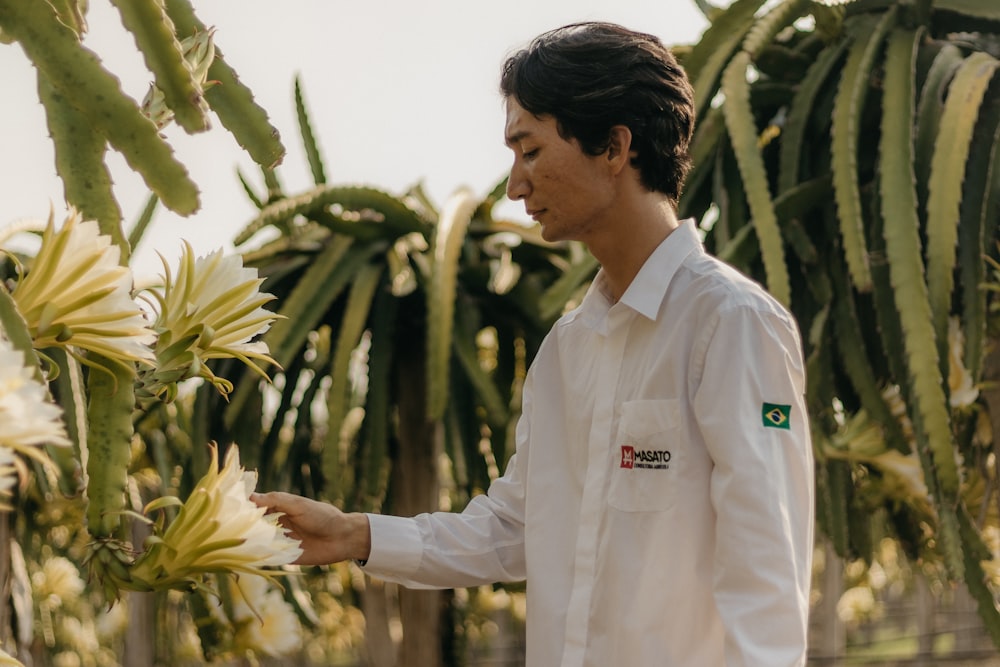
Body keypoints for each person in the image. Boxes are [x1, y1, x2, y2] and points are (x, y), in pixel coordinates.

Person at [253, 21, 814, 666]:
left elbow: (766, 575)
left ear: (614, 146)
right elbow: (515, 528)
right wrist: (354, 534)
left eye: (531, 150)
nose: (515, 185)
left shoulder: (731, 324)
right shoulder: (567, 351)